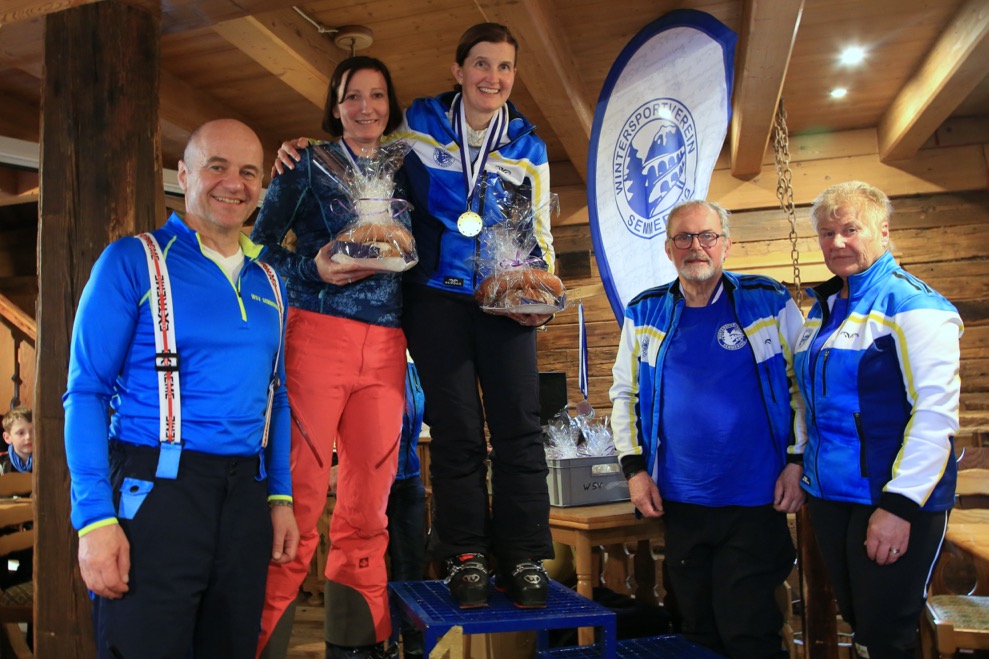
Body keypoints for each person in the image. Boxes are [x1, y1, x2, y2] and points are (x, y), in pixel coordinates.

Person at [63, 118, 299, 659]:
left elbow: (278, 395)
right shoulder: (132, 260)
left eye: (248, 172)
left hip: (245, 499)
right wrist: (93, 518)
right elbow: (86, 392)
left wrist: (280, 496)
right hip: (157, 492)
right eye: (217, 166)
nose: (234, 183)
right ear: (184, 174)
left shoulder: (271, 280)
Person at [251, 56, 409, 659]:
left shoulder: (407, 166)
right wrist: (311, 270)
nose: (366, 107)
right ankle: (263, 642)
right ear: (335, 106)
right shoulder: (305, 162)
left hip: (388, 347)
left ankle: (358, 645)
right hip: (315, 337)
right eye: (353, 96)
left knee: (369, 505)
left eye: (377, 95)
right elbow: (258, 250)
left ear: (390, 104)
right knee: (298, 498)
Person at [395, 22, 556, 609]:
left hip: (503, 299)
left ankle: (523, 555)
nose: (494, 77)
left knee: (520, 427)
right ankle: (466, 554)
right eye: (482, 64)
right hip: (435, 298)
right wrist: (307, 148)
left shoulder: (528, 146)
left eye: (505, 67)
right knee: (457, 429)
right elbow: (367, 160)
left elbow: (540, 233)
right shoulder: (418, 122)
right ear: (458, 70)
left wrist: (540, 299)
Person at [610, 200, 807, 658]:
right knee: (695, 630)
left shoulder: (767, 299)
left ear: (726, 245)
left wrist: (798, 461)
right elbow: (625, 394)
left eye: (707, 236)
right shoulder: (645, 311)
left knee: (748, 631)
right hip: (680, 501)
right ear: (668, 249)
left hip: (756, 498)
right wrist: (634, 471)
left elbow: (802, 386)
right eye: (683, 237)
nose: (695, 246)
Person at [793, 181, 962, 659]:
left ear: (883, 232)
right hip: (831, 495)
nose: (837, 242)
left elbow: (935, 414)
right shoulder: (824, 309)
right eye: (827, 233)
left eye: (851, 229)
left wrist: (900, 506)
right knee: (861, 623)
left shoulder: (914, 305)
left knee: (887, 633)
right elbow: (807, 401)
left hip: (891, 498)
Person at [387, 359, 427, 657]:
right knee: (370, 567)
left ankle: (413, 644)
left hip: (409, 480)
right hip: (374, 482)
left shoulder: (413, 370)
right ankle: (381, 642)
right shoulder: (373, 363)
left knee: (412, 566)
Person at [1, 406, 33, 474]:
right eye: (21, 433)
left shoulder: (49, 461)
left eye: (33, 432)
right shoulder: (2, 464)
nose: (28, 437)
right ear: (7, 438)